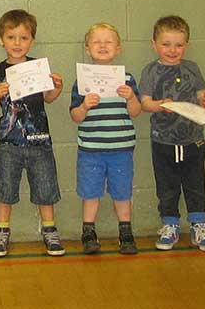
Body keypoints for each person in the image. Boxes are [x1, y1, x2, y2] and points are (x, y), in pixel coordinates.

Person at [0, 9, 64, 258]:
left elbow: (48, 99)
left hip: (40, 140)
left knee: (45, 188)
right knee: (5, 189)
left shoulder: (38, 68)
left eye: (23, 38)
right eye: (11, 37)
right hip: (10, 142)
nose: (17, 43)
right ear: (1, 40)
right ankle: (2, 232)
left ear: (32, 41)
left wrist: (57, 88)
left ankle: (49, 231)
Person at [139, 15, 205, 252]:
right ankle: (170, 225)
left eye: (179, 45)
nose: (172, 50)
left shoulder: (192, 68)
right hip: (163, 140)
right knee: (167, 185)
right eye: (166, 44)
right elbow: (145, 103)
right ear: (154, 44)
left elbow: (203, 95)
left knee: (195, 184)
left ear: (186, 46)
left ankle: (199, 225)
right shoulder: (151, 71)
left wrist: (204, 101)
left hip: (193, 139)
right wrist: (161, 104)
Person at [69, 23, 142, 255]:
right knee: (90, 192)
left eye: (108, 41)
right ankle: (88, 232)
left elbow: (136, 112)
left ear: (118, 48)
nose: (102, 46)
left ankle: (126, 231)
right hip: (91, 150)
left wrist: (130, 97)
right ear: (88, 48)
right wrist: (84, 105)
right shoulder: (82, 81)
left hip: (121, 149)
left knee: (122, 192)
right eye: (96, 42)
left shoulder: (127, 79)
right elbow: (75, 116)